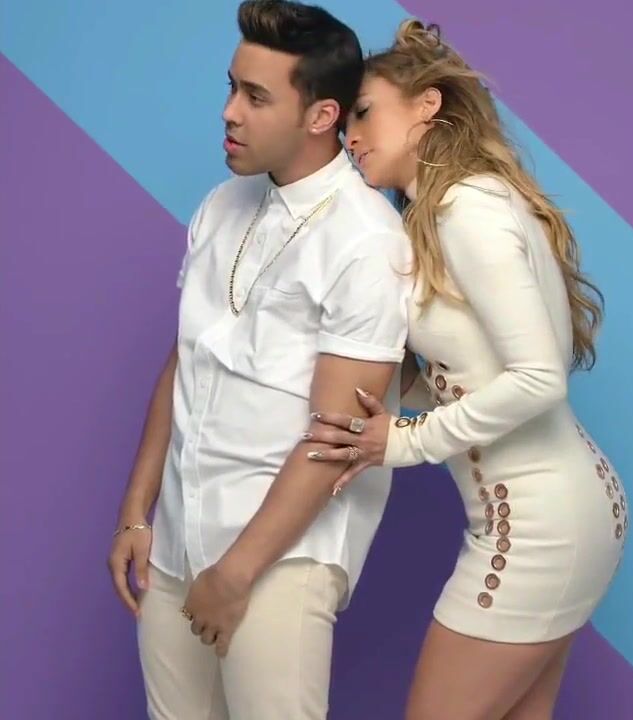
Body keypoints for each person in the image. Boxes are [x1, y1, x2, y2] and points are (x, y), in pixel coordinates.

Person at [305, 20, 628, 720]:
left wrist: (403, 440)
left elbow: (539, 378)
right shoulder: (452, 208)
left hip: (537, 526)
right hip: (562, 510)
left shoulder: (465, 210)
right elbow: (476, 369)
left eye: (364, 112)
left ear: (427, 105)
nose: (350, 136)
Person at [106, 2, 411, 718]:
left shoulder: (366, 242)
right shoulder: (221, 205)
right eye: (231, 87)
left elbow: (338, 436)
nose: (229, 112)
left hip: (281, 558)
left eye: (256, 96)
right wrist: (135, 512)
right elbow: (186, 361)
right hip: (179, 537)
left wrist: (238, 572)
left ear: (321, 115)